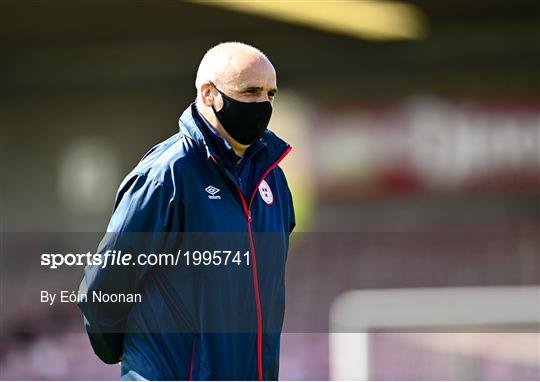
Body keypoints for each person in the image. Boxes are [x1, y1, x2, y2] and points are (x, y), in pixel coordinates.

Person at [77, 41, 295, 380]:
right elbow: (103, 286)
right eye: (250, 91)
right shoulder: (167, 175)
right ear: (208, 94)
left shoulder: (274, 182)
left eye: (270, 93)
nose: (263, 104)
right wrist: (136, 358)